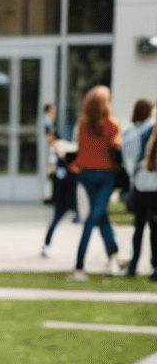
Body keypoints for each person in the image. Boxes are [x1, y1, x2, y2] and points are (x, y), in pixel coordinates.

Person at [70, 83, 123, 280]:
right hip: (105, 175)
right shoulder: (111, 124)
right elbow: (115, 147)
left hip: (86, 174)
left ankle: (112, 257)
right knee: (94, 217)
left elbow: (81, 147)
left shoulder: (83, 125)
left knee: (99, 216)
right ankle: (80, 265)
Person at [122, 99, 157, 276]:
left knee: (139, 227)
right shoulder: (150, 129)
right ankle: (154, 266)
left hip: (140, 184)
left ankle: (133, 264)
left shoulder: (130, 130)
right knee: (154, 227)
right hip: (154, 185)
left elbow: (130, 160)